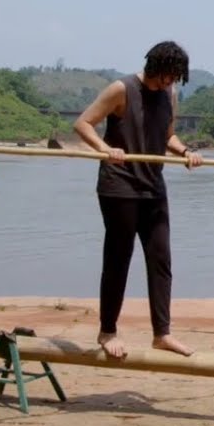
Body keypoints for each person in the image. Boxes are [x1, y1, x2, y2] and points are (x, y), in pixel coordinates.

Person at [74, 40, 204, 358]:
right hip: (119, 186)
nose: (169, 83)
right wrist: (106, 149)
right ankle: (107, 332)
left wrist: (186, 151)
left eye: (175, 79)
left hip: (153, 186)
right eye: (167, 77)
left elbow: (167, 135)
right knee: (119, 258)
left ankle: (162, 333)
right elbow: (82, 124)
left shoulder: (169, 96)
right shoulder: (122, 89)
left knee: (161, 258)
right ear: (154, 67)